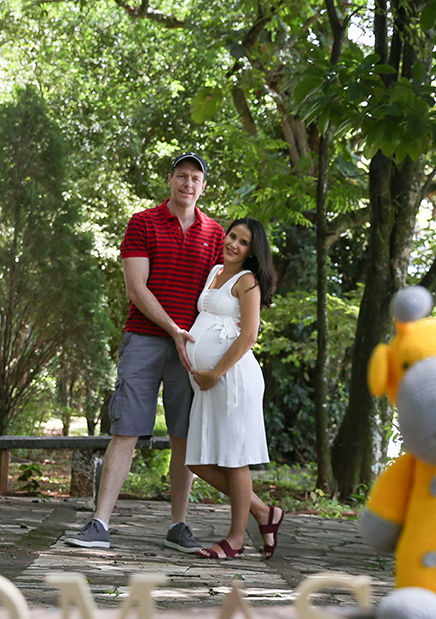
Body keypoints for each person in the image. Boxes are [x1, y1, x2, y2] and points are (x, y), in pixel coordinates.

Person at [65, 152, 224, 551]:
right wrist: (172, 329)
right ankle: (100, 523)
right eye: (182, 176)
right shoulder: (143, 222)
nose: (188, 183)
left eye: (196, 178)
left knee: (184, 436)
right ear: (170, 179)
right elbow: (136, 288)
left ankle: (178, 525)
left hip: (192, 346)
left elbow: (223, 292)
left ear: (203, 187)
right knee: (126, 431)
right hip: (145, 338)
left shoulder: (216, 234)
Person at [185, 218, 284, 560]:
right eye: (232, 236)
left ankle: (236, 540)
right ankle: (262, 512)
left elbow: (249, 335)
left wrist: (215, 373)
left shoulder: (248, 282)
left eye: (243, 242)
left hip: (233, 379)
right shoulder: (215, 271)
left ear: (251, 252)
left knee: (234, 459)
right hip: (208, 384)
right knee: (198, 461)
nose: (233, 244)